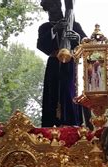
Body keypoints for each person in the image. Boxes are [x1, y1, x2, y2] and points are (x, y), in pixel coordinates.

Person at [37, 0, 88, 128]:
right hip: (54, 65)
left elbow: (87, 43)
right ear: (47, 9)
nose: (55, 9)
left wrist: (77, 38)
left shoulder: (74, 25)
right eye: (51, 7)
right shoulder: (45, 27)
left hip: (70, 65)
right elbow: (41, 45)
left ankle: (72, 124)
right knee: (52, 94)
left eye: (56, 6)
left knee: (70, 93)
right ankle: (50, 125)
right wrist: (54, 30)